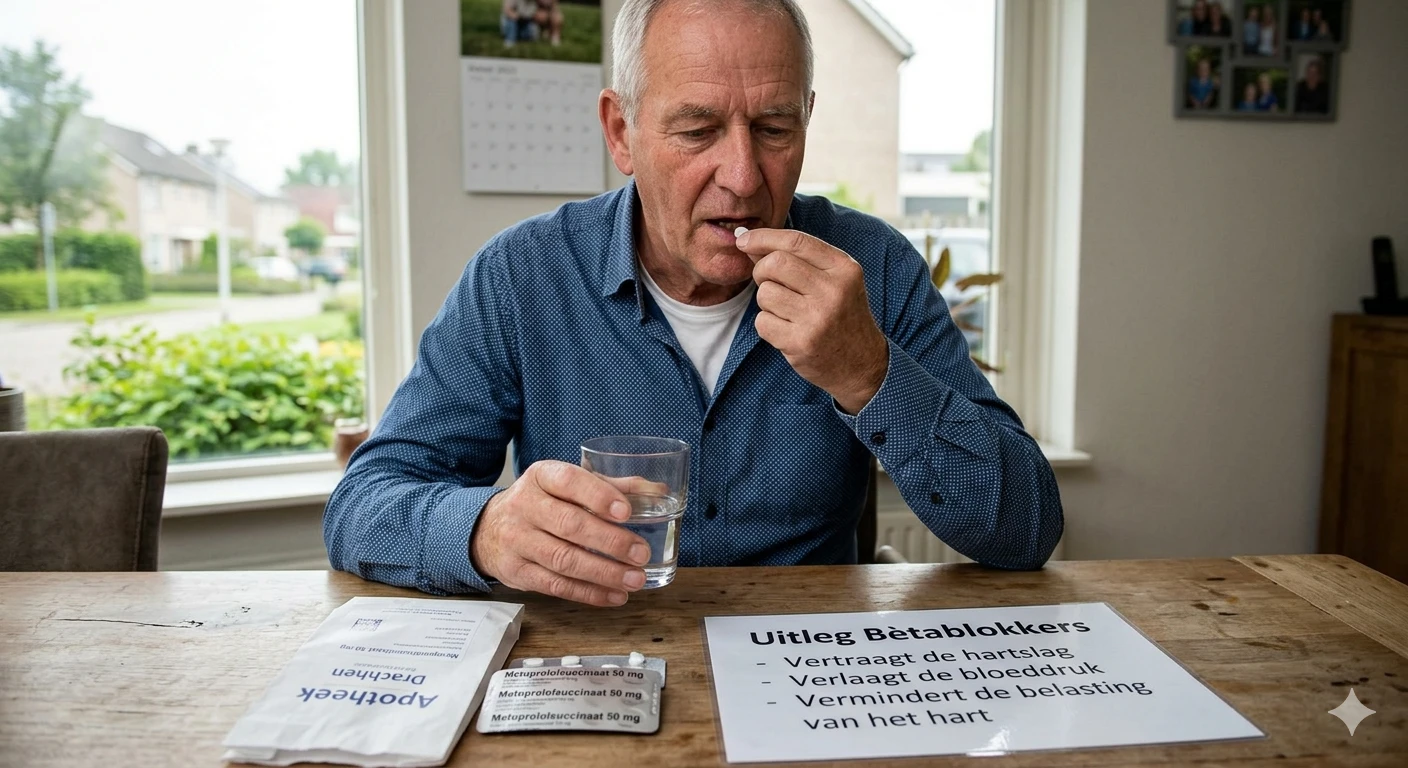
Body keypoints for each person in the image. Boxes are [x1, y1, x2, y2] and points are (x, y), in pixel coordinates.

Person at [324, 0, 1063, 605]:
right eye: (698, 129)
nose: (742, 178)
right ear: (623, 131)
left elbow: (1026, 528)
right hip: (598, 669)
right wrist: (486, 530)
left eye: (775, 128)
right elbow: (364, 507)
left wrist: (868, 373)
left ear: (806, 119)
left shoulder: (873, 268)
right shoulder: (520, 277)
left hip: (813, 684)